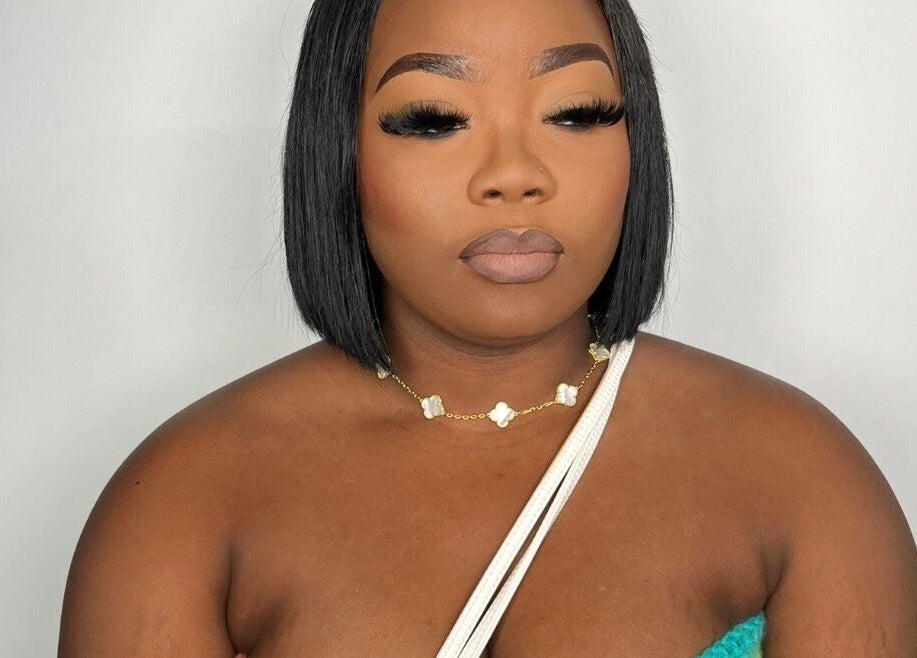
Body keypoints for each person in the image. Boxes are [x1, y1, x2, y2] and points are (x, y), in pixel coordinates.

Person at [58, 0, 917, 656]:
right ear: (338, 151)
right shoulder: (184, 501)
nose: (513, 175)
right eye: (434, 119)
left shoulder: (798, 473)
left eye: (575, 111)